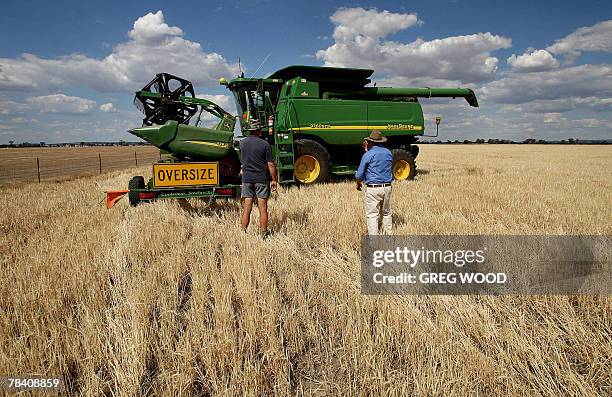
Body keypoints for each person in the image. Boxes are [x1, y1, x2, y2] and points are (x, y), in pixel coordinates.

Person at [239, 120, 278, 237]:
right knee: (263, 208)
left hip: (247, 179)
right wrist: (274, 179)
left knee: (247, 208)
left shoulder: (242, 143)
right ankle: (263, 232)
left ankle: (243, 231)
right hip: (261, 179)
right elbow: (270, 164)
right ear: (258, 130)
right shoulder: (264, 144)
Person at [355, 130, 393, 235]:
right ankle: (389, 236)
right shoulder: (388, 153)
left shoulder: (368, 154)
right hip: (387, 187)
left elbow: (359, 175)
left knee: (372, 215)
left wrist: (358, 183)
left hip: (373, 188)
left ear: (370, 142)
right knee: (386, 212)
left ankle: (373, 241)